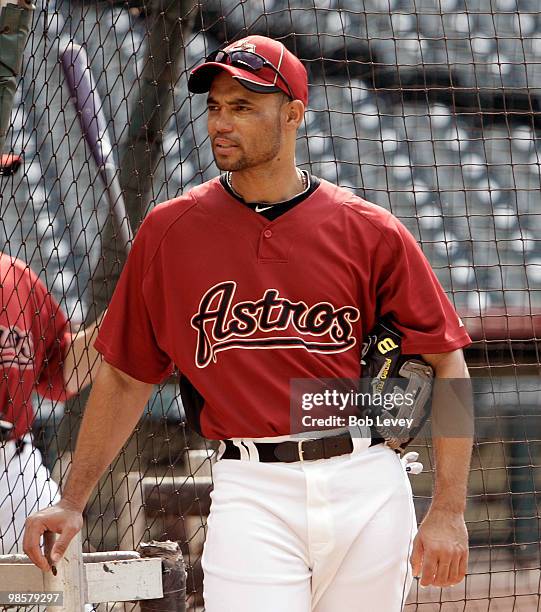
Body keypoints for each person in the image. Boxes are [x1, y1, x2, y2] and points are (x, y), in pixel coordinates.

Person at [23, 35, 473, 611]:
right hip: (251, 487)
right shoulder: (168, 232)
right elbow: (127, 376)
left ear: (293, 115)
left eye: (241, 107)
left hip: (367, 477)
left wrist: (450, 509)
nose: (220, 124)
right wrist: (73, 499)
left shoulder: (370, 231)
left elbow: (447, 361)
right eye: (214, 107)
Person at [0, 251, 102, 552]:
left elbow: (62, 369)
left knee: (63, 587)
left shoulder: (13, 275)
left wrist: (128, 314)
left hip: (11, 462)